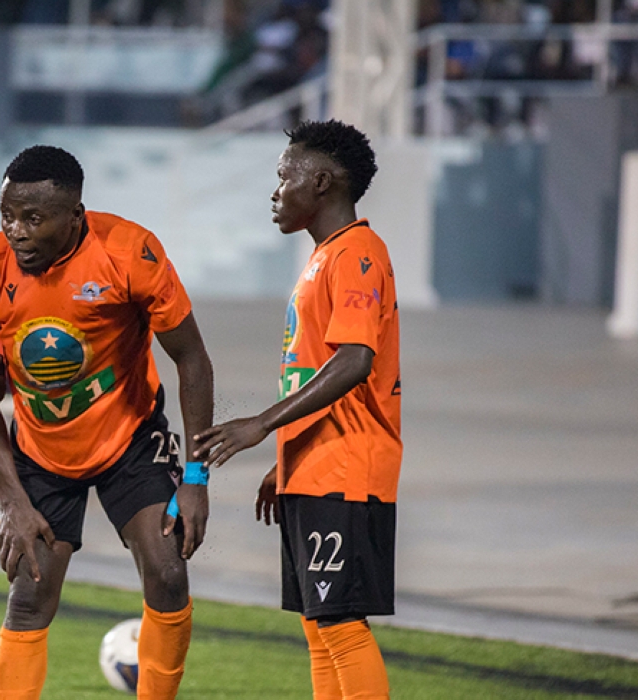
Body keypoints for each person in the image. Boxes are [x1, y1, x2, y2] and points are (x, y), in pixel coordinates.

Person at [0, 145, 214, 699]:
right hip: (42, 451)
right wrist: (12, 501)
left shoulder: (130, 253)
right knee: (29, 595)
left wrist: (196, 477)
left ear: (75, 216)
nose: (15, 232)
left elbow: (191, 357)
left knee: (168, 573)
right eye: (7, 216)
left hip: (131, 439)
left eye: (32, 218)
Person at [193, 120, 399, 700]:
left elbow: (355, 360)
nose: (276, 190)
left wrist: (262, 423)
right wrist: (288, 458)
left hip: (348, 468)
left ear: (324, 182)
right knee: (318, 625)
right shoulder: (324, 257)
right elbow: (318, 369)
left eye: (285, 177)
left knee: (340, 624)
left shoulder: (357, 254)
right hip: (316, 464)